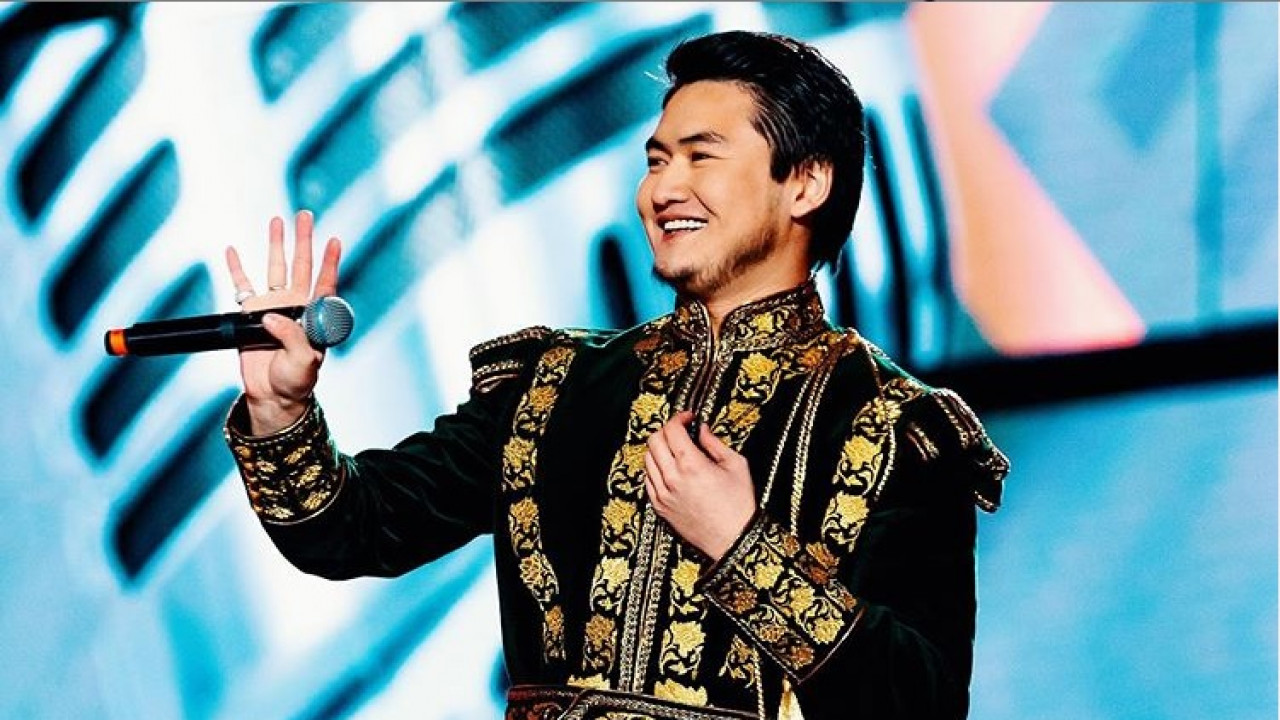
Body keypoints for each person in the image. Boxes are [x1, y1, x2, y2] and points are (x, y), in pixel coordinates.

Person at [221, 30, 1009, 720]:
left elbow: (920, 701)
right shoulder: (550, 385)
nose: (662, 190)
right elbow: (350, 529)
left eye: (702, 156)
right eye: (657, 161)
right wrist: (282, 409)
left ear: (805, 181)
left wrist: (743, 548)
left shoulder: (896, 429)